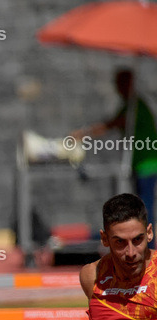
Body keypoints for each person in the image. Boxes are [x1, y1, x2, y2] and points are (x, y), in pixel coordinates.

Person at [71, 69, 157, 235]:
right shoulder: (129, 106)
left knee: (144, 206)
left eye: (121, 83)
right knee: (140, 205)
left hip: (147, 164)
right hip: (139, 164)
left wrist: (83, 133)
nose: (118, 88)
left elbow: (112, 124)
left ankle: (147, 244)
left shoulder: (136, 106)